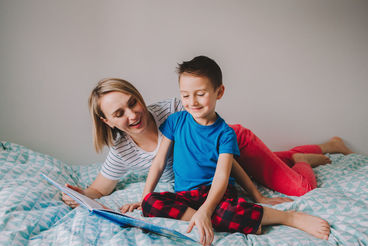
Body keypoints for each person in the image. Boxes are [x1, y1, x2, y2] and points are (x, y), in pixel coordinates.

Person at [123, 56, 331, 246]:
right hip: (186, 195)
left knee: (228, 212)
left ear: (219, 92)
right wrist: (144, 197)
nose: (192, 102)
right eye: (185, 95)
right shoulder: (176, 121)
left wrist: (209, 209)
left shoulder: (225, 133)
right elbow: (159, 163)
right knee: (151, 203)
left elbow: (223, 176)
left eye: (200, 94)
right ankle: (222, 220)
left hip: (216, 193)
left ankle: (290, 217)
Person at [62, 78, 352, 208]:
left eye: (133, 102)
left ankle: (302, 162)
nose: (133, 114)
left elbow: (219, 144)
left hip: (232, 144)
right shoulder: (122, 151)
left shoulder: (174, 110)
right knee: (271, 162)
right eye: (119, 113)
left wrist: (257, 197)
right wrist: (82, 194)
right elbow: (100, 187)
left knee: (302, 189)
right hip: (216, 163)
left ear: (138, 96)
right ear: (107, 122)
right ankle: (326, 146)